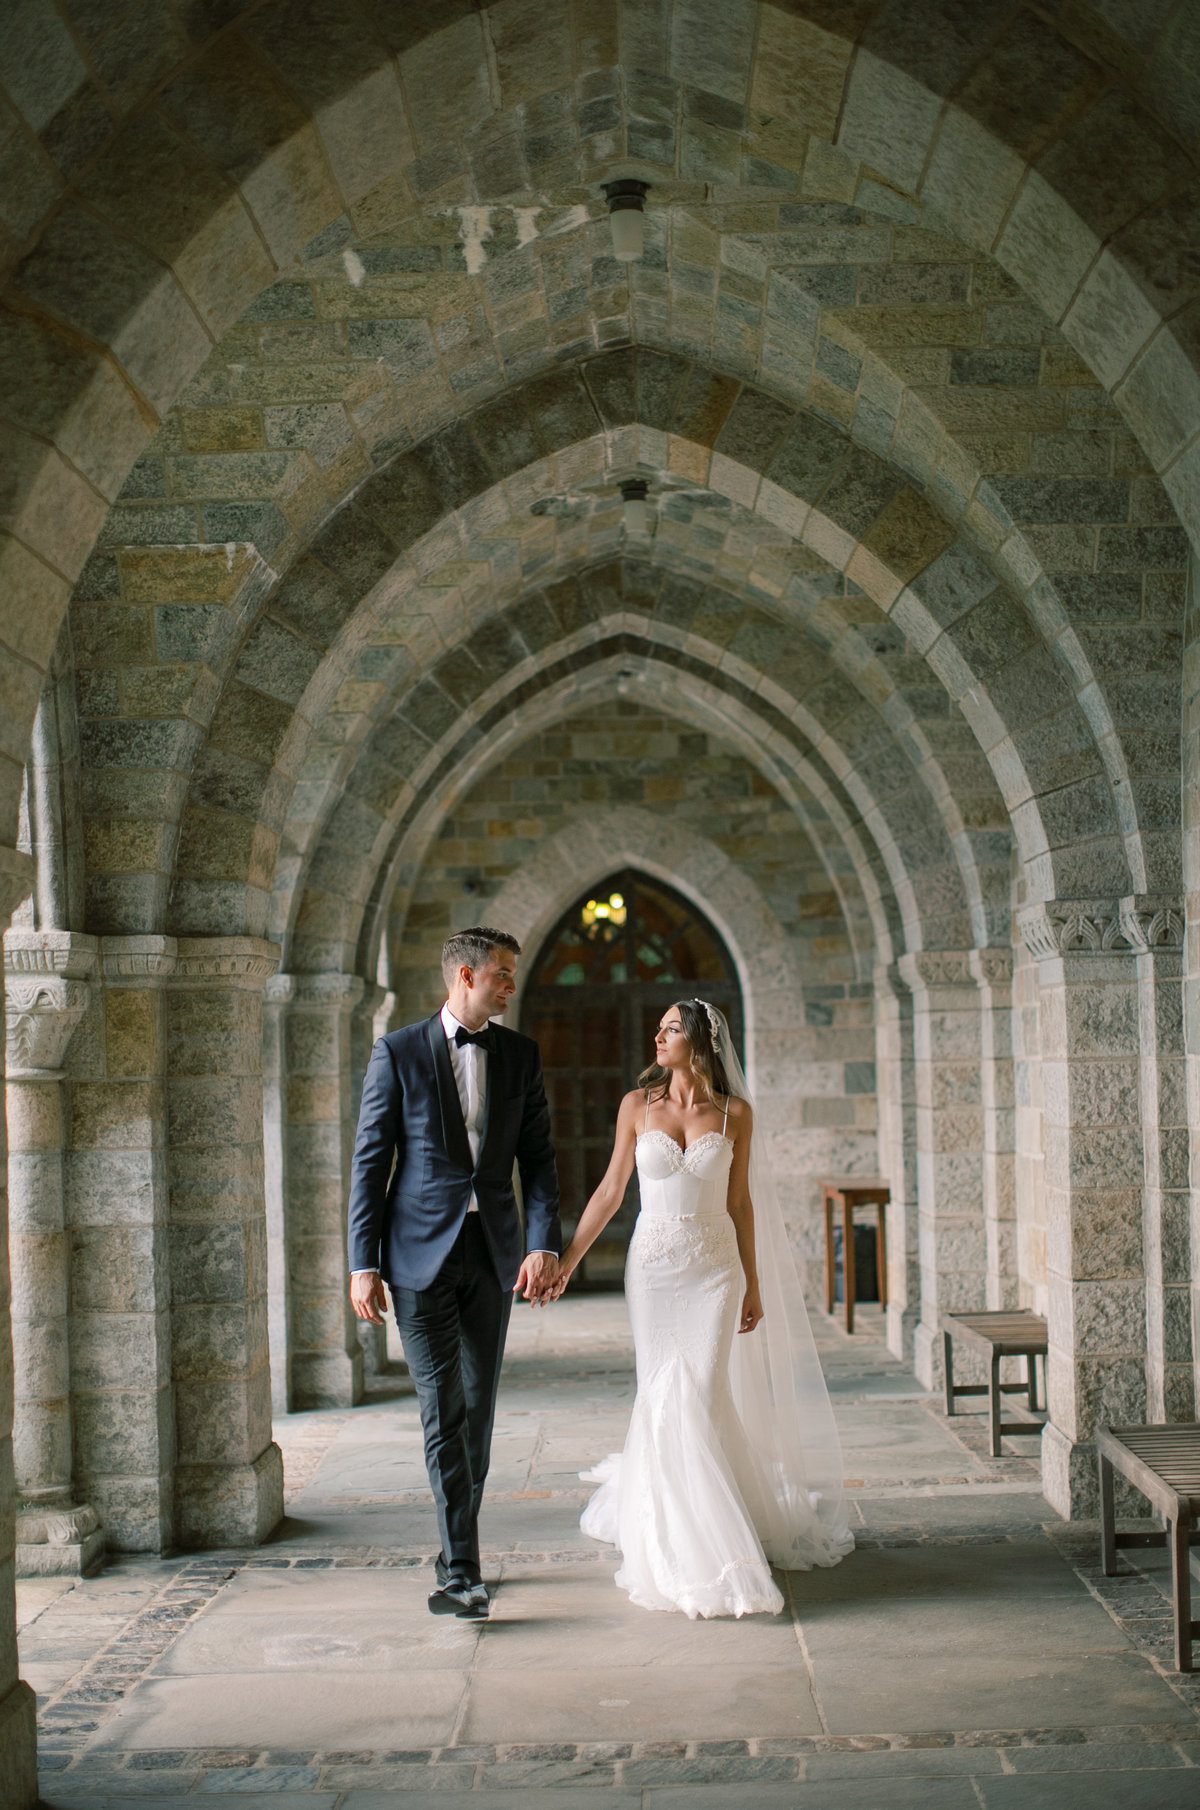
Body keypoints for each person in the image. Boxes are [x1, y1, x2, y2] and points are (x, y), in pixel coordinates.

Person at [550, 998, 853, 1618]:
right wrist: (567, 1262)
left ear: (699, 1039)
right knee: (663, 1392)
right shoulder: (638, 1107)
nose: (656, 1036)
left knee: (703, 1393)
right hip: (654, 1268)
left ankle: (713, 1525)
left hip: (715, 1270)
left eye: (669, 1028)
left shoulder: (736, 1114)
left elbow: (739, 1204)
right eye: (657, 1027)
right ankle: (674, 1536)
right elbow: (611, 1192)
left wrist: (755, 1284)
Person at [347, 928, 561, 1620]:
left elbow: (540, 1159)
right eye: (502, 974)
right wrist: (363, 1261)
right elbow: (370, 1162)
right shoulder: (398, 1052)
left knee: (477, 1409)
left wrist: (542, 1243)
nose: (510, 985)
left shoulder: (521, 1056)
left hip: (493, 1253)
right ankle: (461, 1569)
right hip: (415, 1258)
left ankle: (455, 1550)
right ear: (464, 975)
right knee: (443, 1404)